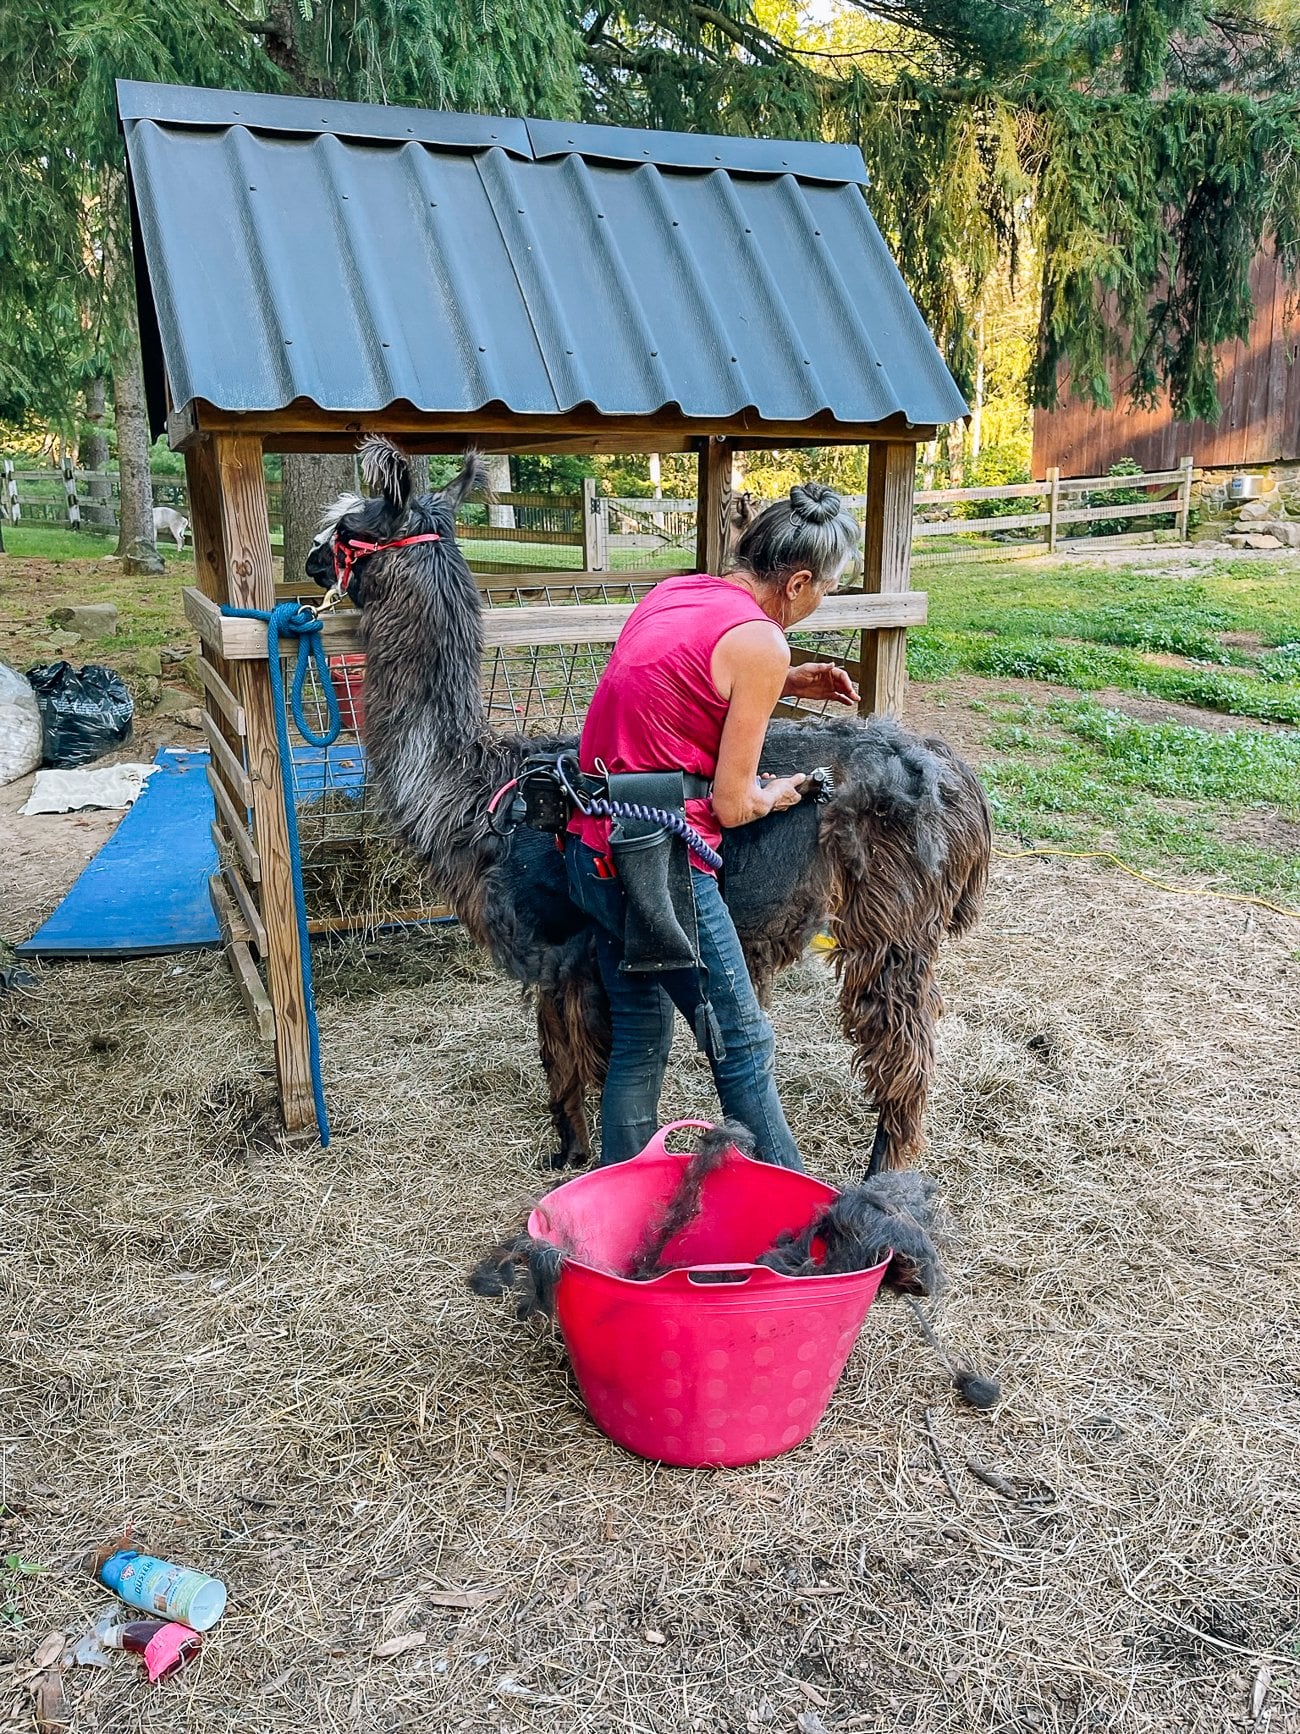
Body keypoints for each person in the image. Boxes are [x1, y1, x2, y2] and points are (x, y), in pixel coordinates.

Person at [565, 481, 863, 1169]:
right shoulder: (762, 643)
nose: (824, 603)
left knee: (640, 1033)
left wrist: (784, 681)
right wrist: (781, 792)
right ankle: (799, 1222)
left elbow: (674, 674)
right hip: (657, 866)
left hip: (590, 845)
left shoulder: (679, 592)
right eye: (828, 589)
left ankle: (619, 1200)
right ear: (795, 582)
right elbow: (732, 807)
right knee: (744, 1042)